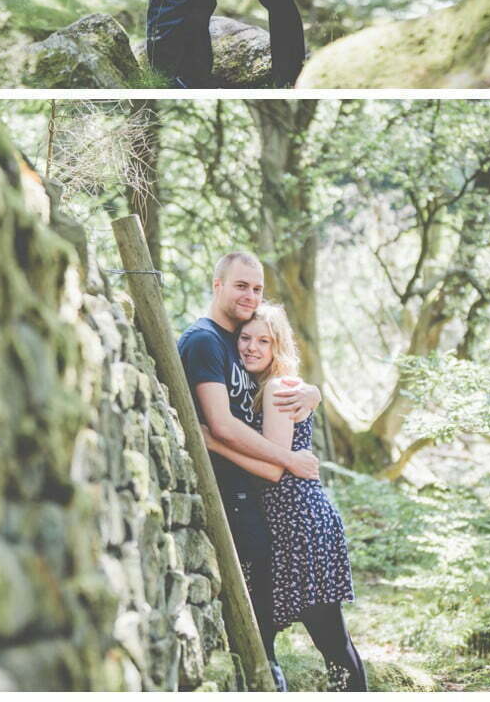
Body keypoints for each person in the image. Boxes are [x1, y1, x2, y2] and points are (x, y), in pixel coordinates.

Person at [177, 251, 322, 691]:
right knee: (255, 616)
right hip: (232, 496)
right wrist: (288, 459)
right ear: (217, 284)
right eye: (242, 286)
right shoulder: (204, 340)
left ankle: (266, 678)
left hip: (256, 493)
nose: (251, 296)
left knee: (265, 614)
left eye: (257, 288)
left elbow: (274, 379)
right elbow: (220, 424)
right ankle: (266, 684)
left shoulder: (239, 340)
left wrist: (312, 392)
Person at [203, 303, 367, 692]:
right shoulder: (263, 388)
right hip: (289, 522)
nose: (253, 347)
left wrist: (211, 440)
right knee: (327, 637)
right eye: (246, 338)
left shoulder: (278, 387)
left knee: (331, 639)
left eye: (265, 341)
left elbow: (274, 468)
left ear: (280, 347)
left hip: (301, 521)